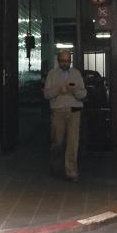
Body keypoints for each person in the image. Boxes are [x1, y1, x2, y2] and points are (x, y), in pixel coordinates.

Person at [43, 50, 87, 181]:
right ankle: (56, 167)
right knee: (57, 141)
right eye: (63, 61)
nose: (65, 63)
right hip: (58, 111)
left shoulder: (76, 74)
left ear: (70, 61)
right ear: (58, 61)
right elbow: (46, 94)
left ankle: (71, 172)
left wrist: (74, 91)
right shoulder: (52, 74)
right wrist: (58, 90)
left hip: (74, 110)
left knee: (73, 142)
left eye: (67, 61)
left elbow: (83, 94)